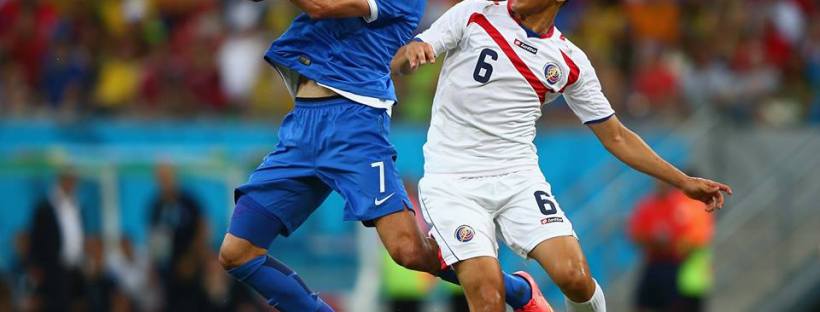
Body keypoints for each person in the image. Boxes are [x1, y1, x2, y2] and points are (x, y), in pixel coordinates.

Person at [391, 0, 733, 311]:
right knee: (488, 294)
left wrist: (683, 181)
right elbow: (415, 51)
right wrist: (412, 54)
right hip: (453, 181)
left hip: (517, 178)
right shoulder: (475, 12)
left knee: (575, 277)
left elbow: (616, 136)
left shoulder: (569, 61)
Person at [217, 0, 548, 311]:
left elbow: (323, 6)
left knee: (408, 250)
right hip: (303, 125)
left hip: (354, 125)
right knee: (238, 253)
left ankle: (518, 291)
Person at [628, 180, 714, 312]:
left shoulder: (682, 206)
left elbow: (693, 238)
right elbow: (636, 234)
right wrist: (655, 242)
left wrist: (670, 244)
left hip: (679, 266)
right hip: (657, 264)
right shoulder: (647, 206)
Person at [147, 163, 210, 311]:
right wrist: (155, 266)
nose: (164, 181)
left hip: (191, 265)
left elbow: (202, 228)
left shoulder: (188, 201)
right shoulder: (157, 206)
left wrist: (193, 259)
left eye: (167, 177)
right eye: (161, 178)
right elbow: (154, 236)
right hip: (168, 268)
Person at [28, 168, 87, 311]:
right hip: (53, 269)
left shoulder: (77, 205)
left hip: (75, 267)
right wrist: (36, 266)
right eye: (69, 179)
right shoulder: (45, 207)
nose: (72, 183)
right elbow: (36, 240)